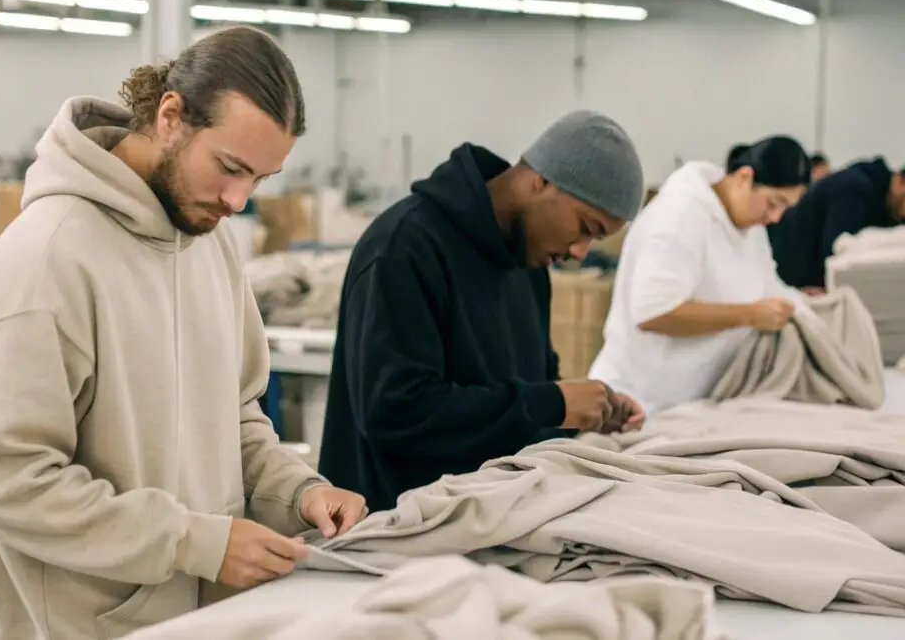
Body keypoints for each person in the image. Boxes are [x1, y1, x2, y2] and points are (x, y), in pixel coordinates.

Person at [0, 26, 366, 640]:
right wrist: (194, 541)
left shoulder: (209, 245)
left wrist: (300, 492)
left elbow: (235, 419)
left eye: (260, 179)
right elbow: (8, 480)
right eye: (229, 167)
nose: (238, 199)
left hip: (198, 616)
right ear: (170, 115)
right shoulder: (46, 259)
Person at [318, 110, 648, 512]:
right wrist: (554, 404)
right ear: (540, 180)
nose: (579, 253)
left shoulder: (528, 266)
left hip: (487, 520)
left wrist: (584, 414)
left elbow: (521, 397)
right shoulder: (405, 246)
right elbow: (394, 412)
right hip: (392, 529)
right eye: (585, 227)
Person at [588, 136, 810, 417]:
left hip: (695, 407)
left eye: (785, 208)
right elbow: (652, 312)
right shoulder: (680, 216)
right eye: (773, 203)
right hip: (636, 406)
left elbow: (769, 286)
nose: (776, 217)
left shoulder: (752, 229)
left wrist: (811, 311)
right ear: (744, 177)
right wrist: (749, 315)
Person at [768, 158, 905, 293]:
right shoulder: (854, 189)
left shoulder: (884, 205)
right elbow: (836, 251)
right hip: (781, 275)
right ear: (901, 182)